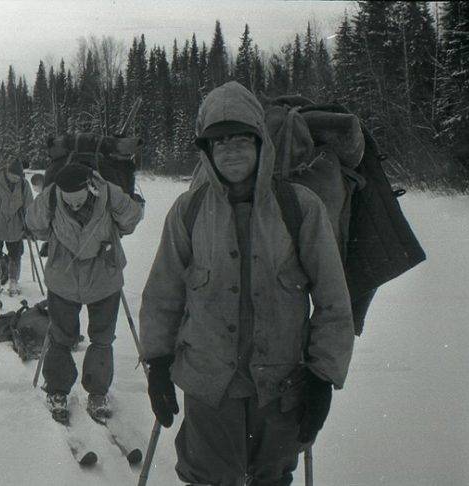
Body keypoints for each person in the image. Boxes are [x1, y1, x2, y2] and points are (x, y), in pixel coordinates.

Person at [139, 81, 355, 486]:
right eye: (220, 143)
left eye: (242, 139)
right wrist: (157, 364)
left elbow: (332, 300)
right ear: (207, 152)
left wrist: (323, 377)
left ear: (261, 144)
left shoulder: (300, 207)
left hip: (280, 387)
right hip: (208, 386)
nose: (232, 151)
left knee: (271, 479)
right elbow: (163, 294)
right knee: (207, 478)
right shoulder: (189, 211)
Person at [25, 163, 143, 422]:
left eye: (80, 201)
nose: (75, 206)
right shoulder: (52, 196)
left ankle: (98, 393)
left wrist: (127, 205)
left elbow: (131, 219)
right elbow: (34, 223)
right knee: (60, 336)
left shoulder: (109, 193)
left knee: (102, 338)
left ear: (90, 187)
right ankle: (57, 390)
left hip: (104, 278)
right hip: (64, 279)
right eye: (70, 202)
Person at [0, 159, 34, 296]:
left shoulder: (23, 185)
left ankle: (13, 282)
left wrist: (30, 224)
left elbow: (29, 205)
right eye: (14, 176)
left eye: (18, 177)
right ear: (8, 172)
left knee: (16, 255)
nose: (16, 179)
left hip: (16, 225)